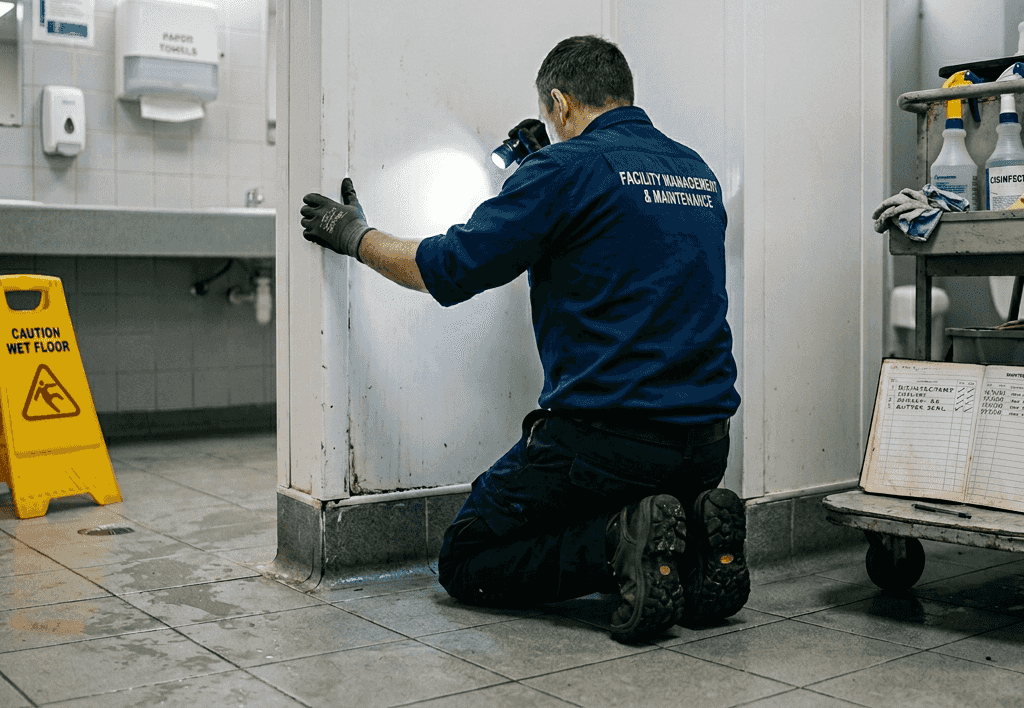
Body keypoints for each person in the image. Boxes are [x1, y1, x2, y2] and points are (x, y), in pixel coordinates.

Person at [299, 35, 746, 642]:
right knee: (623, 494)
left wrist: (355, 234)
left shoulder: (564, 170)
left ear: (560, 104)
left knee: (468, 557)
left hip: (606, 442)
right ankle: (690, 538)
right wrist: (541, 171)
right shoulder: (697, 172)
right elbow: (625, 241)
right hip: (705, 444)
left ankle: (622, 541)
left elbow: (449, 268)